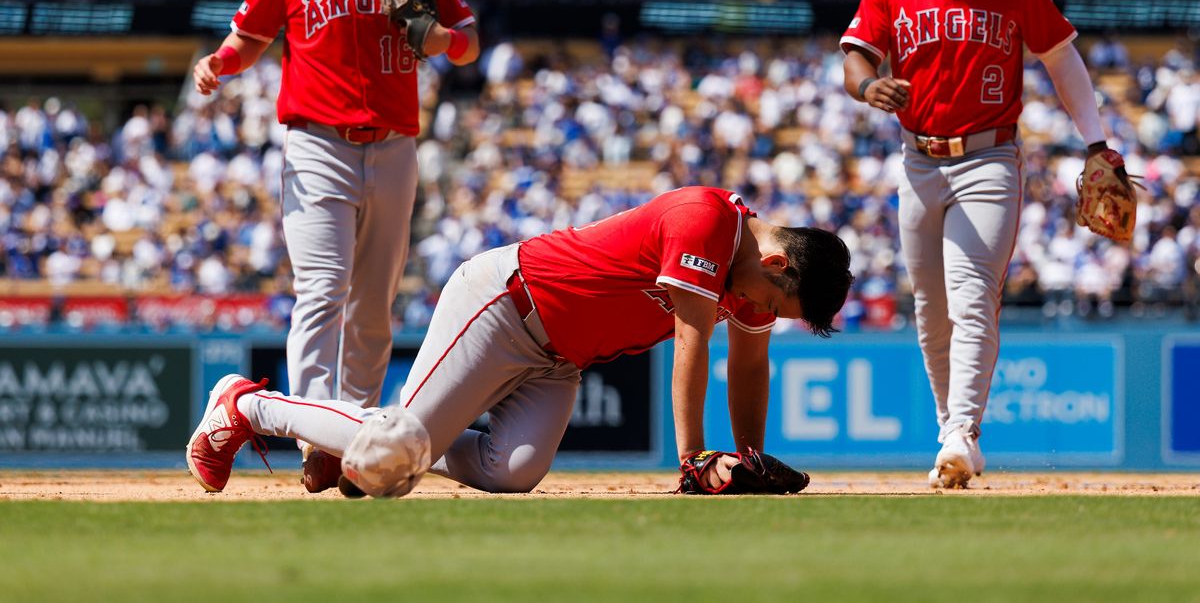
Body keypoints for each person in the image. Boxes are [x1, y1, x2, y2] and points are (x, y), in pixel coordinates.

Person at [185, 186, 854, 496]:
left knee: (514, 472)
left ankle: (357, 438)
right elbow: (692, 344)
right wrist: (692, 460)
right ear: (775, 265)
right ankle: (245, 407)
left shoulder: (755, 278)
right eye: (773, 303)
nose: (760, 313)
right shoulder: (704, 220)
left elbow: (750, 365)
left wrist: (752, 458)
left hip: (558, 359)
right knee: (392, 455)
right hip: (506, 303)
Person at [190, 0, 480, 493]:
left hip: (397, 144)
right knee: (321, 293)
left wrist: (435, 36)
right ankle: (320, 435)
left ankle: (350, 438)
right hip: (316, 144)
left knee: (374, 306)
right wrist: (218, 65)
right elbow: (249, 38)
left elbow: (467, 44)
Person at [840, 0, 1122, 488]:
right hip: (916, 159)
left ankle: (962, 435)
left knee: (971, 298)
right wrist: (866, 84)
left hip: (989, 158)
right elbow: (856, 54)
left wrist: (1096, 140)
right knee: (929, 309)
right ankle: (953, 434)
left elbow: (1062, 59)